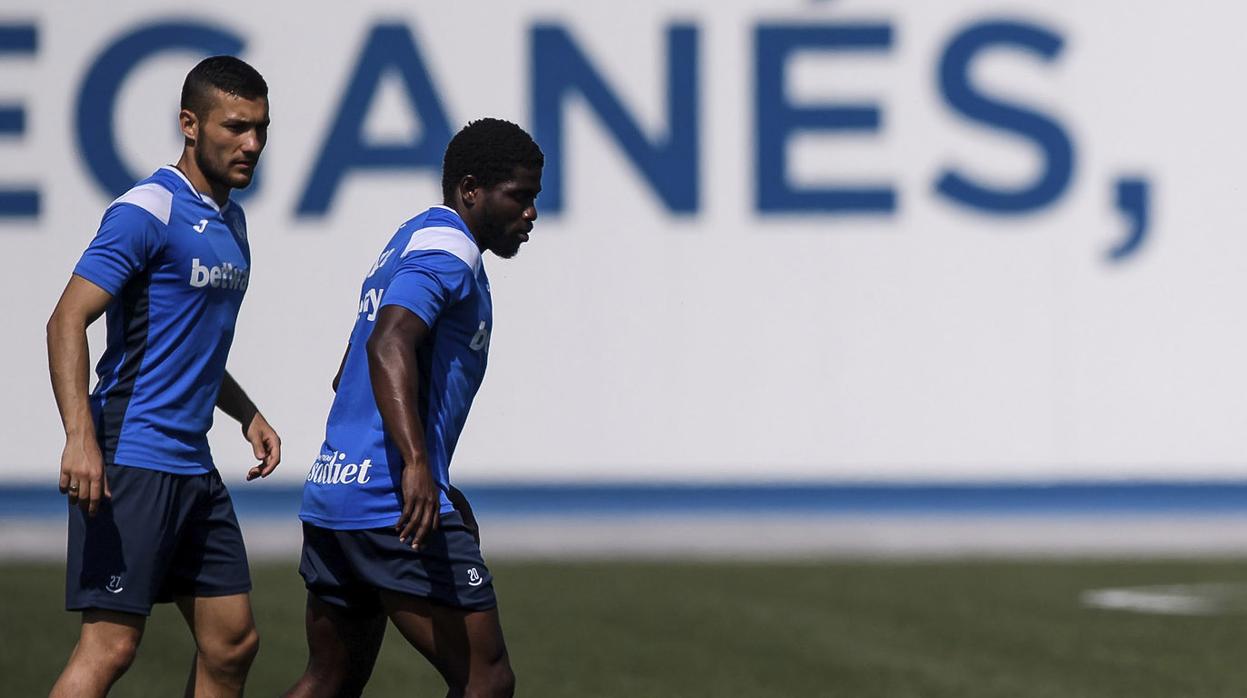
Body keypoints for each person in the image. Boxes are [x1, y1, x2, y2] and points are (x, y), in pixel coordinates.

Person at [45, 55, 280, 698]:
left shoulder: (231, 221)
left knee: (232, 643)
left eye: (261, 128)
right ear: (189, 124)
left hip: (192, 463)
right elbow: (66, 321)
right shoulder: (145, 210)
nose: (252, 144)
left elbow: (186, 344)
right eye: (235, 127)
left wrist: (245, 412)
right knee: (112, 647)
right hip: (131, 454)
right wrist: (79, 437)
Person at [285, 118, 543, 698]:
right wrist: (418, 467)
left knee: (329, 680)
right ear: (470, 188)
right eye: (521, 197)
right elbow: (388, 343)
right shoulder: (450, 248)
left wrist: (437, 480)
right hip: (389, 502)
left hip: (336, 491)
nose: (531, 214)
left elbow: (348, 370)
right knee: (487, 679)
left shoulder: (409, 239)